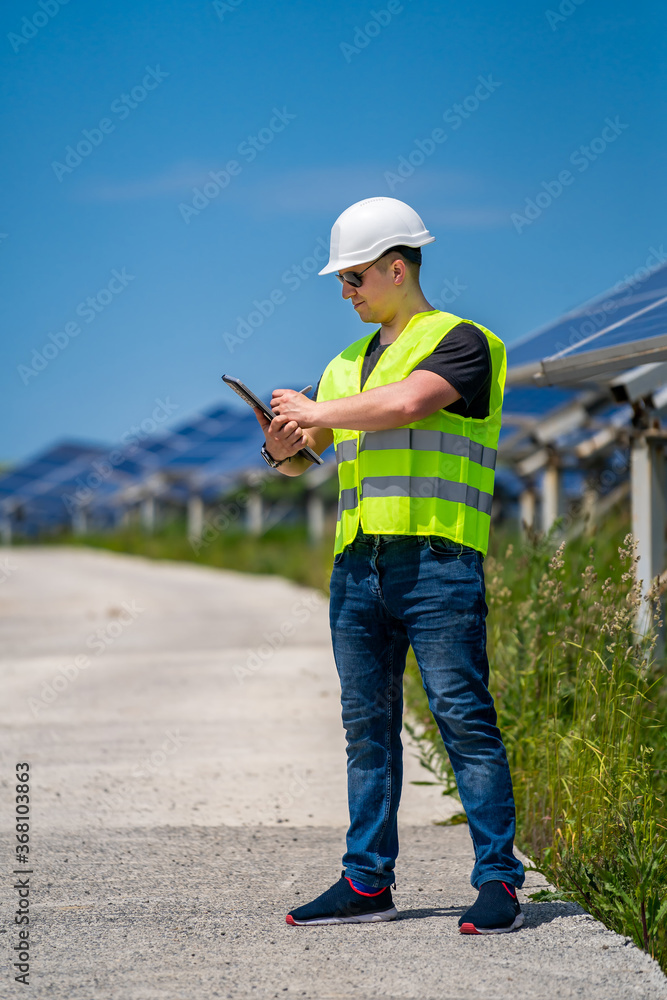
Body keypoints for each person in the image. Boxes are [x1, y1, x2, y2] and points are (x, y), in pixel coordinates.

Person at [253, 196, 525, 933]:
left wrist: (314, 415)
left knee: (462, 722)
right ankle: (366, 881)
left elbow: (408, 405)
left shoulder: (465, 342)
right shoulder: (341, 366)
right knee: (366, 730)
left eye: (353, 278)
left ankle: (499, 881)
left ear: (395, 268)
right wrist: (284, 449)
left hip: (437, 563)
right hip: (357, 568)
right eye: (342, 280)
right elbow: (314, 455)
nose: (345, 292)